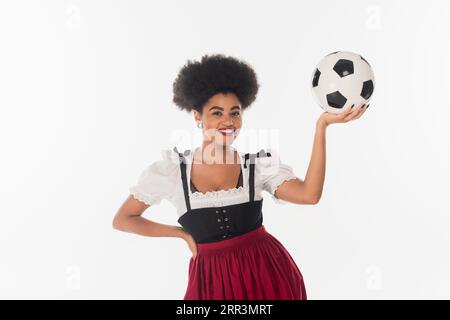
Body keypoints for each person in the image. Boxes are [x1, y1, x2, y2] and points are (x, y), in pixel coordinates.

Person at [112, 54, 368, 300]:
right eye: (216, 113)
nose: (228, 122)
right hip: (210, 284)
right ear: (197, 116)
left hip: (268, 275)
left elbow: (309, 195)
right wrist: (180, 234)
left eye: (235, 112)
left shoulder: (257, 165)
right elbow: (124, 219)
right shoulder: (172, 171)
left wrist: (321, 126)